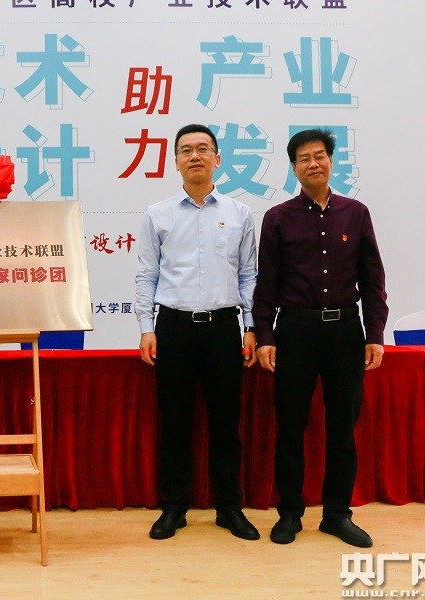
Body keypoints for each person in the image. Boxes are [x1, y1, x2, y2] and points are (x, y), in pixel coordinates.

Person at [253, 128, 388, 548]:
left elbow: (372, 279)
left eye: (319, 156)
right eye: (303, 158)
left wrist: (375, 333)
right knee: (290, 427)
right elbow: (266, 283)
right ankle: (290, 513)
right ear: (293, 168)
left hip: (345, 332)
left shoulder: (356, 213)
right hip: (295, 331)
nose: (313, 163)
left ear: (331, 161)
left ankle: (337, 514)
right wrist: (265, 336)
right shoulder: (278, 217)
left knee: (342, 428)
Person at [135, 124, 259, 541]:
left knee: (226, 424)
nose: (195, 156)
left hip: (223, 328)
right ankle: (174, 508)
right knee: (175, 424)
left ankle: (229, 508)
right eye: (186, 150)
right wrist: (146, 327)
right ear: (175, 161)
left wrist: (251, 326)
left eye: (203, 149)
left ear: (217, 159)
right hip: (174, 328)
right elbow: (147, 274)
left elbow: (248, 275)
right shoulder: (158, 214)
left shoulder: (239, 213)